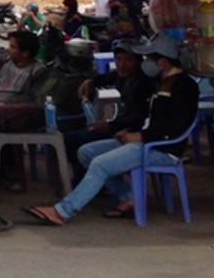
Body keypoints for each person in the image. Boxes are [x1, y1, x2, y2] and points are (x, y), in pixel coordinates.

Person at [27, 34, 199, 225]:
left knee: (100, 164)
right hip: (146, 140)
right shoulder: (162, 81)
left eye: (150, 59)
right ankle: (128, 197)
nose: (146, 63)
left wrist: (140, 136)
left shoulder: (183, 86)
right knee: (86, 152)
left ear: (163, 62)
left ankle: (63, 211)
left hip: (161, 148)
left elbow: (172, 125)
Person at [65, 41, 155, 184]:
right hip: (119, 124)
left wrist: (110, 125)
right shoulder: (121, 77)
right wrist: (90, 81)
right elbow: (103, 78)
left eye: (128, 60)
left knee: (85, 140)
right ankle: (87, 180)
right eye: (118, 59)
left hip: (133, 129)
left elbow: (139, 117)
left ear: (138, 62)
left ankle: (95, 183)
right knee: (69, 139)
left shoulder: (143, 84)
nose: (122, 64)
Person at [0, 29, 46, 131]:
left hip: (13, 115)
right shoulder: (1, 61)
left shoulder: (37, 71)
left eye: (13, 47)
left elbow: (34, 99)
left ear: (25, 52)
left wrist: (8, 106)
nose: (8, 49)